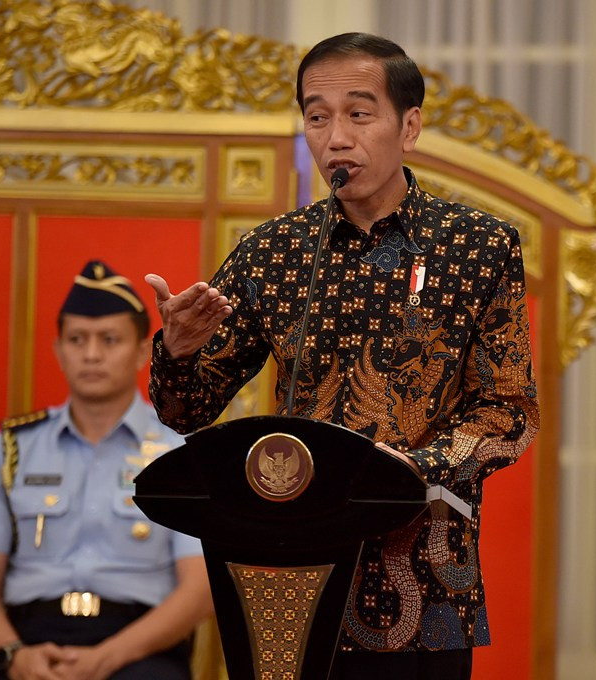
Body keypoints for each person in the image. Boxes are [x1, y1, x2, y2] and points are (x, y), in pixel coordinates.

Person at [146, 32, 539, 680]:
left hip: (425, 577)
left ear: (408, 126)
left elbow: (507, 410)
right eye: (316, 115)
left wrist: (408, 472)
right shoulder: (273, 252)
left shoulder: (478, 247)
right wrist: (179, 354)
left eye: (359, 114)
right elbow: (185, 413)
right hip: (285, 576)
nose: (335, 136)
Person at [0, 261, 213, 680]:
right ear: (58, 350)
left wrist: (106, 658)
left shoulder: (175, 452)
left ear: (143, 351)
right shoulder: (14, 449)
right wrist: (14, 655)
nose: (91, 354)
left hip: (136, 649)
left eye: (109, 340)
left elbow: (199, 589)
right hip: (27, 640)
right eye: (77, 339)